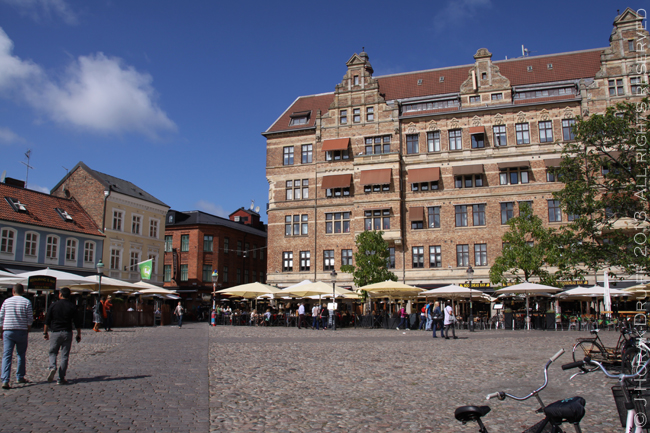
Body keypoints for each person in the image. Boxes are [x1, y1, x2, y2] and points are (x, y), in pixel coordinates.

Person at [43, 287, 81, 385]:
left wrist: (45, 332)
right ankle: (61, 378)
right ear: (69, 295)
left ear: (60, 294)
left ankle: (52, 367)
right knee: (64, 356)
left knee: (52, 352)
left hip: (55, 332)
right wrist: (78, 334)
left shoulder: (53, 305)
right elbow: (77, 322)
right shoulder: (72, 306)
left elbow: (47, 320)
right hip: (67, 332)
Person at [0, 284, 33, 389]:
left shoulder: (7, 301)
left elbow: (1, 317)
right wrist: (28, 328)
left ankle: (5, 380)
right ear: (22, 291)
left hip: (8, 330)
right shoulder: (26, 302)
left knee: (7, 355)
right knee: (21, 354)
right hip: (21, 330)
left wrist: (1, 330)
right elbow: (30, 319)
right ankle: (20, 376)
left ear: (13, 291)